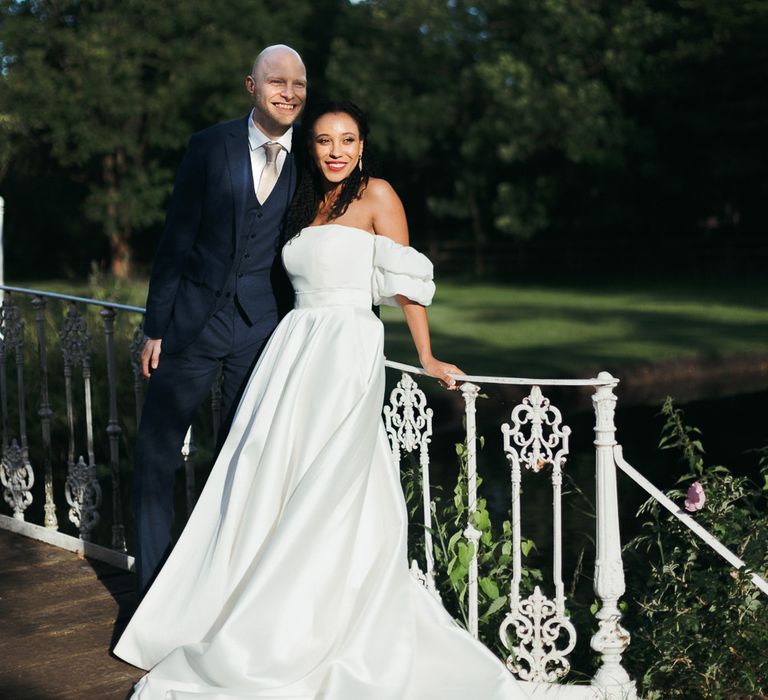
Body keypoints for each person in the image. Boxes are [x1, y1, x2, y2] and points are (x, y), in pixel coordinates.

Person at [115, 101, 530, 699]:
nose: (336, 151)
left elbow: (407, 286)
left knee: (330, 482)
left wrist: (427, 357)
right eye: (325, 141)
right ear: (312, 147)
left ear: (364, 146)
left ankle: (308, 625)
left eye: (348, 140)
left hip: (346, 351)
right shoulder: (304, 201)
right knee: (266, 477)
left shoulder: (379, 196)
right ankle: (242, 605)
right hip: (292, 351)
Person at [132, 45, 307, 594]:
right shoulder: (209, 146)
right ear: (250, 87)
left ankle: (213, 590)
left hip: (261, 331)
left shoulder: (314, 158)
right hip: (190, 325)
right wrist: (154, 325)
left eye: (299, 83)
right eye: (276, 81)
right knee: (157, 455)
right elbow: (175, 240)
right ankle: (151, 592)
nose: (289, 92)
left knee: (241, 461)